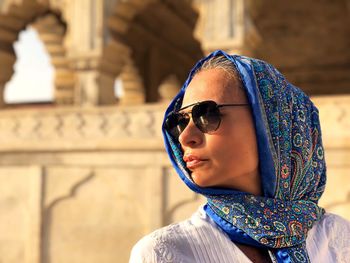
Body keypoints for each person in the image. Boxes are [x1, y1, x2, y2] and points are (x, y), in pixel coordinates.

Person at [129, 50, 350, 262]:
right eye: (179, 123)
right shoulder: (165, 253)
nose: (185, 137)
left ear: (275, 123)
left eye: (206, 114)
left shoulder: (337, 239)